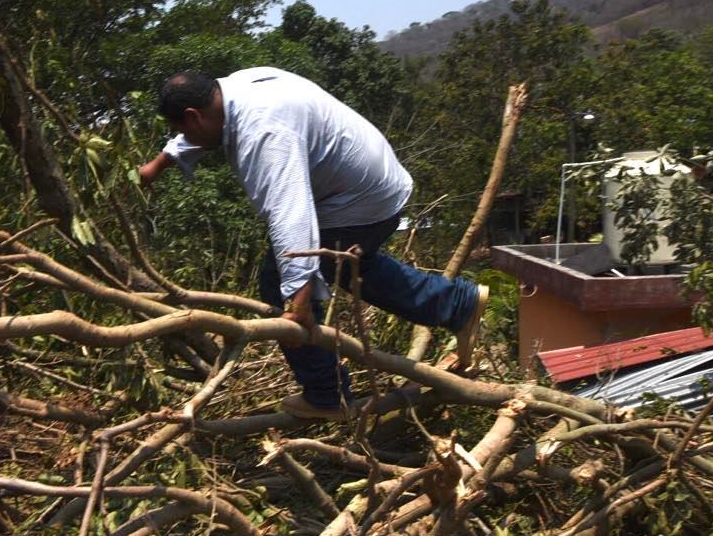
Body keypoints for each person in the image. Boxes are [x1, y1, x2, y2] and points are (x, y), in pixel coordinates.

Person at [137, 66, 488, 420]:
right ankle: (457, 303)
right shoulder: (231, 91)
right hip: (372, 182)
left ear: (193, 116)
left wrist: (298, 304)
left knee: (279, 282)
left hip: (359, 200)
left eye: (180, 129)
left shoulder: (264, 134)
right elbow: (200, 131)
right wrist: (160, 163)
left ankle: (327, 394)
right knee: (353, 266)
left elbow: (290, 214)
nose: (182, 135)